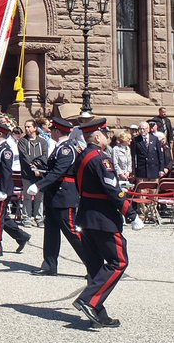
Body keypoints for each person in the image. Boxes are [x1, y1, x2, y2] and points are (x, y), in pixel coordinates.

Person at [73, 117, 131, 328]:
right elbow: (112, 189)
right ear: (97, 136)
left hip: (86, 216)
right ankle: (88, 300)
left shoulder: (82, 157)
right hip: (103, 218)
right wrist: (130, 212)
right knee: (119, 261)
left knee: (96, 267)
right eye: (105, 134)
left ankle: (98, 311)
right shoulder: (100, 159)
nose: (108, 138)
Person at [27, 118, 86, 276]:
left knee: (72, 232)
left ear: (57, 132)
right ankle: (49, 264)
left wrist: (39, 185)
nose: (50, 132)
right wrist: (41, 168)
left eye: (52, 130)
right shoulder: (59, 148)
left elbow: (59, 172)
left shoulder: (67, 149)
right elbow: (54, 169)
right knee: (51, 232)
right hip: (54, 195)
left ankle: (94, 264)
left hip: (64, 195)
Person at [0, 117, 30, 256]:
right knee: (1, 216)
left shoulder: (6, 150)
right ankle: (21, 236)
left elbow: (6, 171)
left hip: (1, 187)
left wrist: (3, 190)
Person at [18, 119, 48, 227]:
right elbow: (24, 156)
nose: (27, 129)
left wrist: (39, 168)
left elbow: (45, 156)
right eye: (25, 127)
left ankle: (38, 217)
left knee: (39, 196)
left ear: (35, 128)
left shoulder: (43, 142)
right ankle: (27, 217)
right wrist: (33, 167)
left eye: (29, 126)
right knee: (27, 195)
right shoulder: (23, 141)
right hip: (27, 173)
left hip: (40, 173)